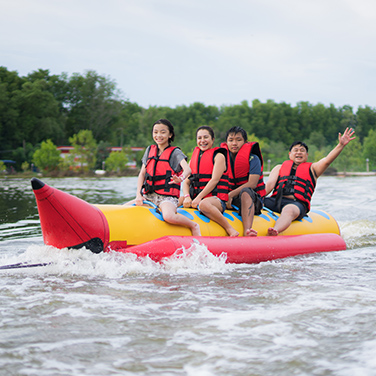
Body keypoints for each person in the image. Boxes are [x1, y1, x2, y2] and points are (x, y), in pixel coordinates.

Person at [264, 127, 356, 236]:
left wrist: (340, 145)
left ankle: (275, 230)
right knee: (252, 201)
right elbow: (269, 186)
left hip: (296, 204)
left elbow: (327, 161)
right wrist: (255, 198)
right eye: (296, 150)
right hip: (275, 201)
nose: (299, 152)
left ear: (307, 156)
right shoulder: (279, 167)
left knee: (289, 210)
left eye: (302, 151)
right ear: (290, 154)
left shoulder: (313, 168)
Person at [128, 119, 201, 236]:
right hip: (149, 196)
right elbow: (142, 174)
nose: (158, 135)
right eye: (155, 132)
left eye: (162, 132)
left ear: (170, 134)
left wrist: (181, 178)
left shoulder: (175, 153)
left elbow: (188, 170)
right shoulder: (149, 150)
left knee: (168, 216)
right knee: (124, 208)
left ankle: (193, 225)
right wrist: (138, 195)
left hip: (167, 198)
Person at [182, 126, 239, 237]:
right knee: (175, 201)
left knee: (204, 204)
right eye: (199, 138)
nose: (202, 141)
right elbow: (187, 181)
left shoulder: (219, 156)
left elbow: (214, 180)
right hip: (196, 197)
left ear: (213, 140)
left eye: (206, 137)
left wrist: (199, 198)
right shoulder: (194, 157)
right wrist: (186, 196)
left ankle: (229, 228)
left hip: (216, 199)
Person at [220, 126, 266, 236]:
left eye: (238, 140)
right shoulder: (222, 158)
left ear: (245, 142)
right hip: (230, 198)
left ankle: (247, 231)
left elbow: (252, 184)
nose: (234, 143)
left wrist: (230, 195)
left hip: (252, 199)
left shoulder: (253, 159)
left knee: (246, 191)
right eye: (231, 140)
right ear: (226, 142)